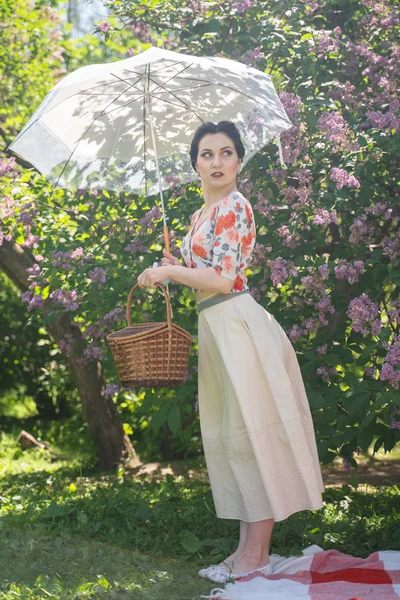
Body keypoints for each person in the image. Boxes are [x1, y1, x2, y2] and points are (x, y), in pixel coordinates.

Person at [137, 121, 324, 584]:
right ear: (195, 163)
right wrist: (174, 267)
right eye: (206, 154)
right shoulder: (204, 213)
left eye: (226, 153)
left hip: (238, 325)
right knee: (236, 439)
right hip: (216, 326)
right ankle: (245, 550)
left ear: (239, 160)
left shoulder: (235, 207)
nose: (216, 162)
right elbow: (205, 274)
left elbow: (223, 280)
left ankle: (256, 556)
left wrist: (172, 274)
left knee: (254, 434)